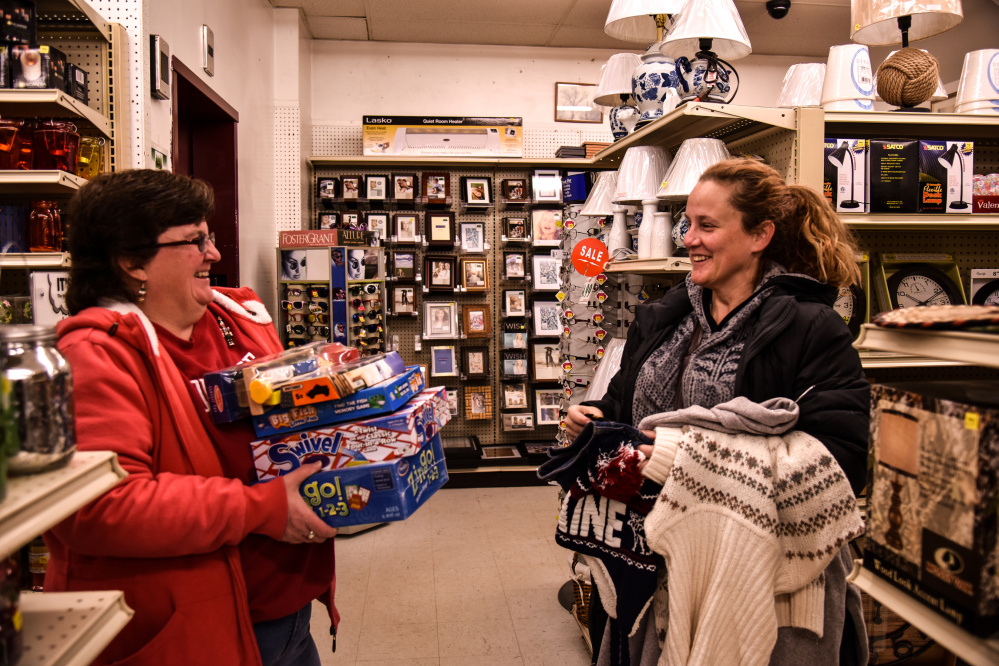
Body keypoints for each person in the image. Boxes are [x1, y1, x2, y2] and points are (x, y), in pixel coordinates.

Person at [565, 158, 870, 665]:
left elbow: (842, 460)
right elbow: (625, 407)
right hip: (648, 564)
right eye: (687, 223)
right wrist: (595, 418)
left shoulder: (810, 329)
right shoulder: (664, 321)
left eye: (707, 225)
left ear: (760, 235)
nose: (688, 239)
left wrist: (683, 456)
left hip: (753, 578)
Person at [48, 170, 339, 666]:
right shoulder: (96, 355)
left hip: (286, 609)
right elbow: (101, 506)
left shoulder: (237, 319)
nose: (214, 253)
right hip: (193, 631)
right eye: (195, 240)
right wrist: (260, 508)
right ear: (131, 262)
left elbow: (280, 429)